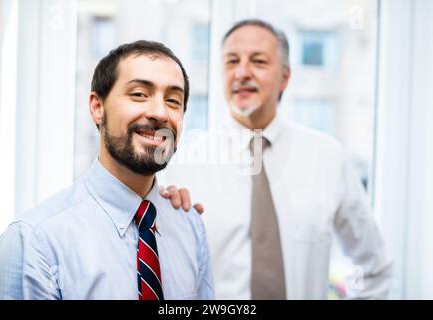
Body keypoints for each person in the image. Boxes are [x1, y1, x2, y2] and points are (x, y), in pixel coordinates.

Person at [160, 19, 393, 299]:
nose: (242, 72)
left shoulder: (328, 158)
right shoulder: (183, 163)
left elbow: (374, 267)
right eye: (232, 61)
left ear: (285, 77)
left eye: (258, 61)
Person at [0, 40, 213, 300]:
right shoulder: (35, 243)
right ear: (97, 107)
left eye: (173, 100)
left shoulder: (190, 226)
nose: (160, 112)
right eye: (139, 94)